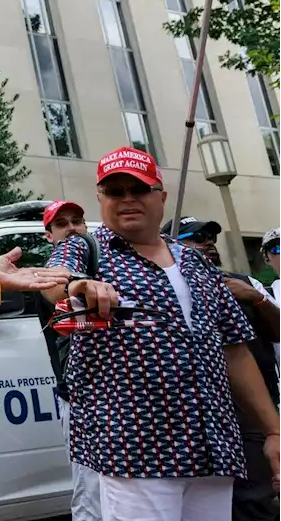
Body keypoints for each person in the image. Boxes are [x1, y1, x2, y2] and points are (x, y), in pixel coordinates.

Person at [44, 146, 281, 521]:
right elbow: (54, 281)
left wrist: (273, 431)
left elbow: (235, 351)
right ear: (100, 198)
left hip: (213, 448)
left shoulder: (196, 263)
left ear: (161, 196)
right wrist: (78, 285)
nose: (127, 199)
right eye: (115, 191)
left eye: (138, 189)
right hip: (136, 451)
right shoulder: (84, 248)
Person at [172, 216, 281, 521]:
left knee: (257, 502)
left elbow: (278, 332)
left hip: (252, 417)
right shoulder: (166, 290)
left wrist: (257, 300)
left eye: (209, 236)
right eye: (195, 237)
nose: (207, 242)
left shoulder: (245, 283)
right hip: (201, 419)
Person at [33, 200, 100, 521]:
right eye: (62, 224)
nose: (72, 228)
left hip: (125, 402)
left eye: (77, 221)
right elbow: (56, 290)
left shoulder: (104, 261)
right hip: (80, 399)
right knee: (90, 492)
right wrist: (78, 286)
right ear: (49, 235)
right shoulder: (54, 269)